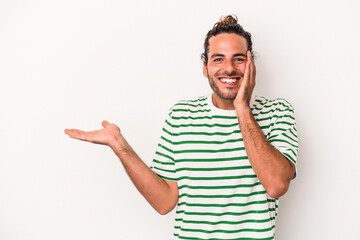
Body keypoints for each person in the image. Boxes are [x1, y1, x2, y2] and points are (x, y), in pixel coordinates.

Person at [65, 15, 298, 240]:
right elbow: (164, 202)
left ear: (251, 65)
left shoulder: (278, 112)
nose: (229, 68)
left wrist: (242, 108)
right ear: (205, 67)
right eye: (218, 59)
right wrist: (120, 145)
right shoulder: (181, 115)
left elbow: (277, 185)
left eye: (238, 59)